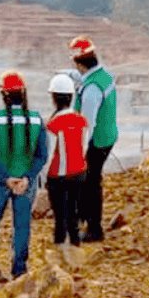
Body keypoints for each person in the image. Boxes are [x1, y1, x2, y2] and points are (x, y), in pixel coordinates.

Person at [0, 70, 48, 284]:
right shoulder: (35, 119)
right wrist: (26, 177)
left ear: (4, 95)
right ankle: (19, 271)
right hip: (26, 183)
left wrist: (6, 178)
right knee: (22, 226)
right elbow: (41, 155)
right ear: (23, 93)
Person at [67, 36, 118, 242]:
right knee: (89, 180)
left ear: (80, 63)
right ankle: (84, 217)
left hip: (96, 141)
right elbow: (83, 78)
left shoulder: (91, 90)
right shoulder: (104, 76)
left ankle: (94, 229)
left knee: (90, 182)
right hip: (107, 136)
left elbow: (86, 124)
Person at [44, 73, 88, 263]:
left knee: (60, 215)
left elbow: (48, 153)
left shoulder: (53, 124)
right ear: (71, 96)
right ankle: (76, 247)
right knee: (73, 211)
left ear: (54, 98)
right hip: (79, 173)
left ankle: (60, 251)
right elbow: (83, 147)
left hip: (58, 177)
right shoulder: (81, 121)